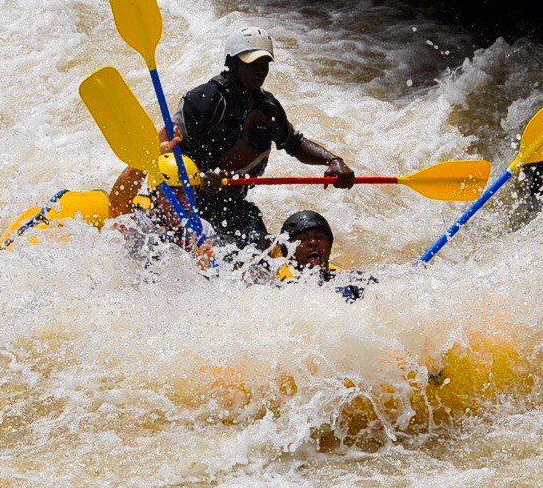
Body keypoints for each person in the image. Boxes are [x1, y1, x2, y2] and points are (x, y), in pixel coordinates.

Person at [167, 26, 355, 248]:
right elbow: (169, 150)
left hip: (232, 202)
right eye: (252, 64)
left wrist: (333, 160)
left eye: (264, 64)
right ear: (232, 63)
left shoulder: (268, 107)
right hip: (186, 200)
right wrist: (197, 178)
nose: (260, 71)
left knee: (259, 248)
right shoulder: (203, 100)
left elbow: (294, 143)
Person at [108, 153, 214, 270]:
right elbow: (117, 205)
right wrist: (146, 157)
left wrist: (202, 267)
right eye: (174, 193)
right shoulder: (140, 227)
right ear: (155, 196)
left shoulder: (203, 229)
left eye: (187, 192)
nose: (183, 200)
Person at [270, 210, 370, 302]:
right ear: (287, 251)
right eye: (302, 238)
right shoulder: (281, 287)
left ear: (330, 245)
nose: (313, 243)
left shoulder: (353, 280)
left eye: (319, 237)